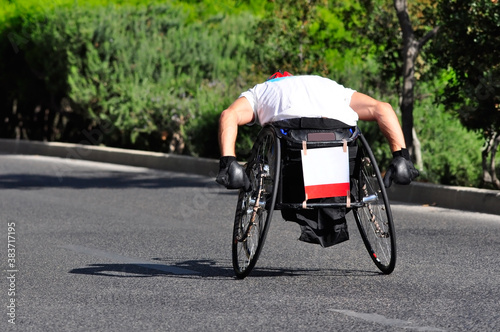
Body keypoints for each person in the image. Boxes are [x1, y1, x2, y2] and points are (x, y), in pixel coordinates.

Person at [216, 72, 419, 247]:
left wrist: (229, 162)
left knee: (284, 141)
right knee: (347, 138)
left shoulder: (260, 91)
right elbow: (382, 108)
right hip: (340, 139)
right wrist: (401, 157)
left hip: (294, 145)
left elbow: (229, 115)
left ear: (272, 80)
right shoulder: (328, 85)